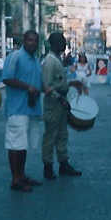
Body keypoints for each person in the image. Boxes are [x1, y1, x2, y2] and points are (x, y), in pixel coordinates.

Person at [1, 30, 45, 192]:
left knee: (23, 145)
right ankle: (15, 179)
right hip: (17, 109)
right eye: (30, 40)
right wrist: (28, 88)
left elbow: (39, 83)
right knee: (15, 144)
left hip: (31, 109)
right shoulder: (15, 57)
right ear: (24, 41)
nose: (32, 43)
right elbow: (6, 78)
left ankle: (22, 175)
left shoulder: (35, 59)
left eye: (35, 41)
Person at [41, 31, 81, 179]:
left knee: (62, 135)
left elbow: (58, 82)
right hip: (53, 103)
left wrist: (70, 84)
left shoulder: (57, 59)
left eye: (64, 41)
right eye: (61, 41)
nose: (64, 44)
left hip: (61, 103)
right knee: (50, 136)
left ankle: (64, 164)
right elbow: (46, 85)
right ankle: (48, 167)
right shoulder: (50, 61)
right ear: (53, 44)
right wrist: (60, 98)